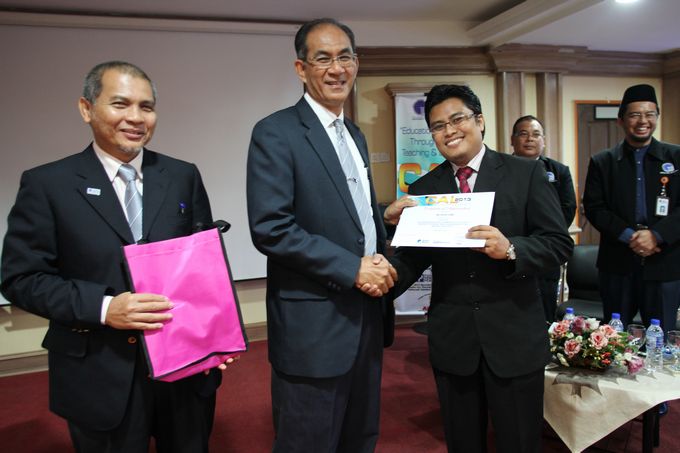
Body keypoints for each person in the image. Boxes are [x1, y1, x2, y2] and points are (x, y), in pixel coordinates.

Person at [1, 61, 228, 452]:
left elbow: (203, 266)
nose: (136, 118)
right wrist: (106, 308)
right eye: (121, 104)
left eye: (146, 107)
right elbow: (21, 279)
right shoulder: (47, 184)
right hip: (99, 368)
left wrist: (217, 336)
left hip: (185, 366)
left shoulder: (182, 175)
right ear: (86, 109)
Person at [384, 84, 573, 453]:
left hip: (514, 337)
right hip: (454, 340)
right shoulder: (424, 189)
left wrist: (511, 248)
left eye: (458, 119)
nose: (449, 131)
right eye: (438, 126)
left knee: (520, 443)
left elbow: (558, 243)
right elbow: (410, 260)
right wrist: (379, 272)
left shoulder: (525, 173)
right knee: (462, 442)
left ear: (480, 121)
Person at [246, 18, 396, 453]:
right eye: (323, 59)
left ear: (356, 63)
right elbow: (271, 228)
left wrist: (384, 220)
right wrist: (353, 268)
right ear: (301, 68)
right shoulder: (276, 132)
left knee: (360, 436)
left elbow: (347, 215)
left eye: (345, 57)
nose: (337, 69)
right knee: (307, 441)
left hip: (367, 316)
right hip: (313, 326)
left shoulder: (354, 135)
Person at [583, 84, 680, 333]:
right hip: (617, 263)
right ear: (621, 120)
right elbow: (594, 208)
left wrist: (656, 235)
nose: (643, 121)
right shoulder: (602, 161)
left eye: (649, 114)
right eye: (635, 115)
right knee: (614, 338)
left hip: (664, 262)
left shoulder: (676, 157)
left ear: (657, 116)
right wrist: (631, 237)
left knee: (662, 338)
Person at [511, 115, 576, 321]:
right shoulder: (500, 170)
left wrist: (543, 237)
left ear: (544, 140)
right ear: (512, 140)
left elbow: (568, 208)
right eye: (523, 134)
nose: (530, 138)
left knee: (544, 311)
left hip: (545, 253)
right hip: (510, 250)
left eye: (536, 134)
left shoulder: (559, 171)